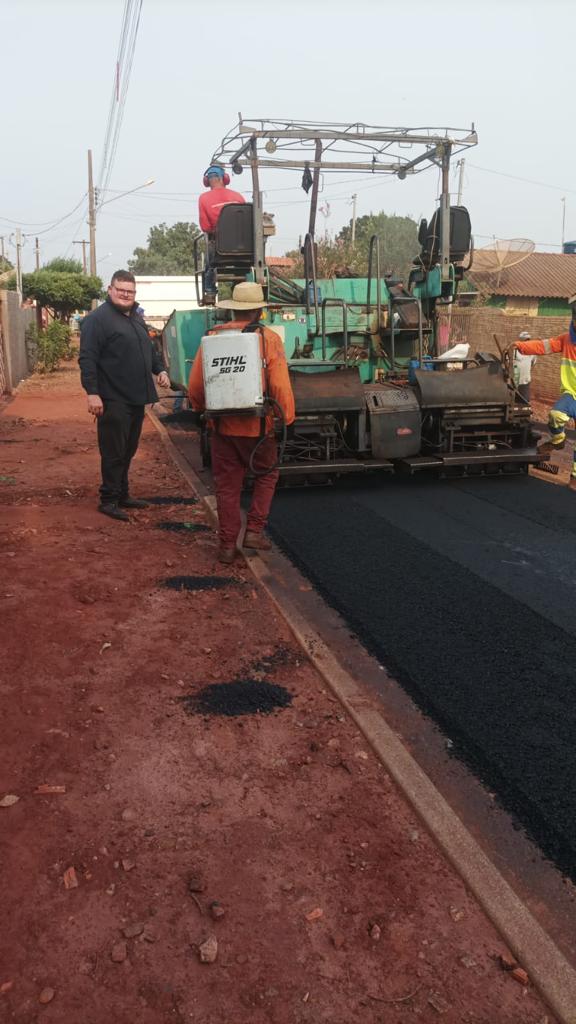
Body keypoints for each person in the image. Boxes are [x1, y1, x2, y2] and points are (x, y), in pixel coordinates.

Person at [188, 281, 295, 563]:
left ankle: (226, 545)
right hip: (258, 430)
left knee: (227, 485)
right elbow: (281, 386)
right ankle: (254, 532)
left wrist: (201, 410)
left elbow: (196, 386)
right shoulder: (268, 339)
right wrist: (287, 417)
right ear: (260, 310)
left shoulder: (212, 337)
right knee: (267, 474)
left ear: (233, 309)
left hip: (221, 428)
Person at [79, 269, 170, 520]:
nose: (125, 295)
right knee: (113, 451)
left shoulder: (135, 317)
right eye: (120, 290)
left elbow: (148, 349)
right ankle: (108, 500)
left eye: (129, 291)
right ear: (110, 290)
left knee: (128, 450)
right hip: (112, 397)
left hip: (135, 398)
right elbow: (87, 358)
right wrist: (92, 393)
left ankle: (122, 494)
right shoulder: (98, 320)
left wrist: (159, 369)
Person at [514, 302, 576, 490]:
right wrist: (520, 346)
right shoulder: (566, 340)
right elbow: (543, 346)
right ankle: (558, 441)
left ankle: (573, 479)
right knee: (555, 416)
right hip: (571, 395)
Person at [198, 164, 245, 302]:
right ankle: (240, 285)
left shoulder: (203, 198)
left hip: (220, 248)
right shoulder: (239, 197)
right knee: (242, 266)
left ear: (207, 181)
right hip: (244, 248)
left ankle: (210, 292)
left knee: (209, 264)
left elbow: (205, 227)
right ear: (225, 178)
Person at [513, 331, 536, 404]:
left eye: (528, 340)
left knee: (524, 401)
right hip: (514, 381)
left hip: (525, 381)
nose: (527, 342)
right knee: (513, 400)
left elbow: (533, 363)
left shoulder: (532, 352)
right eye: (525, 340)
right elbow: (508, 363)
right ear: (521, 341)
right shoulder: (514, 352)